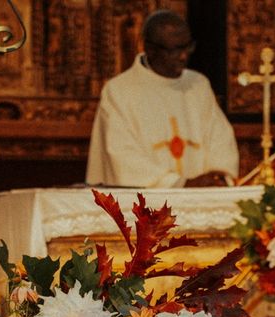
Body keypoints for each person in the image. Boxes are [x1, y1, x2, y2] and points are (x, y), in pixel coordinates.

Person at [86, 9, 239, 188]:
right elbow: (122, 155)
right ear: (149, 49)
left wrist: (217, 175)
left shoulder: (198, 84)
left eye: (187, 47)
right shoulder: (119, 91)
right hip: (147, 203)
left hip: (200, 198)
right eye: (174, 50)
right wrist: (178, 183)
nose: (183, 56)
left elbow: (220, 138)